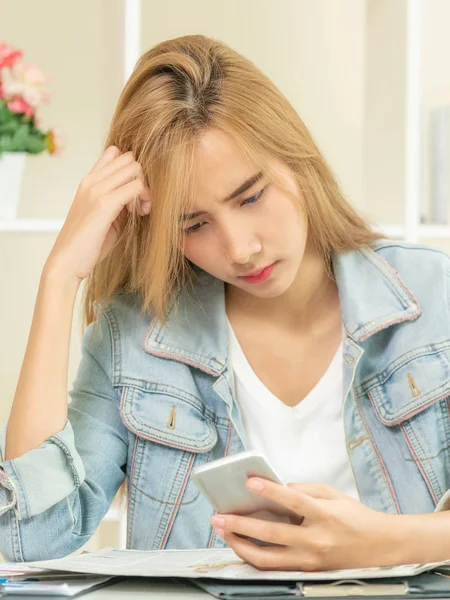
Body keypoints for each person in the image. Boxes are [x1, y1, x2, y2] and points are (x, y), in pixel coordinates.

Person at [1, 33, 450, 570]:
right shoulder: (138, 335)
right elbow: (28, 537)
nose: (240, 248)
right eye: (194, 225)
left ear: (295, 156)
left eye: (251, 196)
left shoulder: (433, 297)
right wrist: (60, 277)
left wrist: (383, 542)